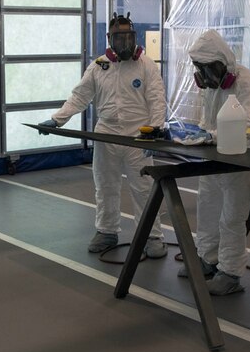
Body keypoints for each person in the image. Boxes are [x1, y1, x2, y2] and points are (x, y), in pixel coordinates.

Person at [40, 13, 168, 258]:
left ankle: (153, 236)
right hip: (107, 135)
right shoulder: (99, 66)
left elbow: (156, 99)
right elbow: (80, 96)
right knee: (106, 186)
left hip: (138, 137)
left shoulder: (146, 65)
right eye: (119, 38)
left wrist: (155, 130)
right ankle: (107, 231)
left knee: (143, 188)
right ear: (109, 38)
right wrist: (58, 119)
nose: (124, 43)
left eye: (128, 37)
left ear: (134, 37)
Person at [182, 29, 250, 295]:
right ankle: (207, 259)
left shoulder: (246, 81)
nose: (205, 77)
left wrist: (211, 136)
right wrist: (197, 135)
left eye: (209, 69)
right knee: (207, 211)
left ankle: (230, 273)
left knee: (231, 218)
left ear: (222, 63)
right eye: (200, 70)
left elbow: (248, 120)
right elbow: (208, 121)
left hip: (240, 159)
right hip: (214, 158)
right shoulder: (211, 87)